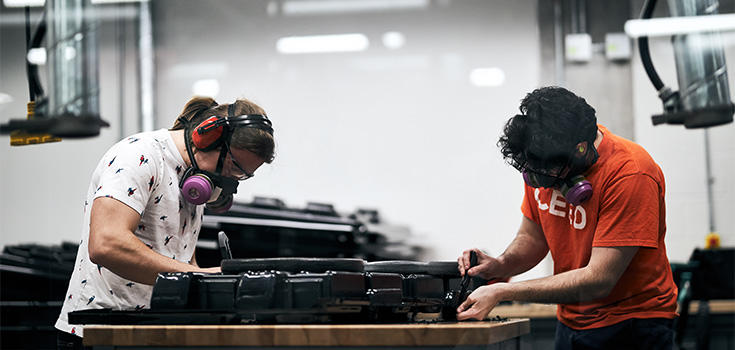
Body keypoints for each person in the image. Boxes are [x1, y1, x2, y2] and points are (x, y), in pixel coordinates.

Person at [456, 87, 677, 349]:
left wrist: (502, 291)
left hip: (632, 324)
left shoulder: (631, 173)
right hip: (572, 320)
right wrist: (499, 265)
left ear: (580, 150)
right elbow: (532, 236)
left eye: (547, 172)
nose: (540, 181)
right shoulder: (540, 160)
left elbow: (599, 280)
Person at [55, 97, 275, 349]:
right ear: (209, 137)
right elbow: (105, 244)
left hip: (153, 331)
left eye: (243, 176)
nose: (231, 181)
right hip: (101, 333)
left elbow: (180, 260)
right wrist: (200, 276)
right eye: (234, 168)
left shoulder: (195, 178)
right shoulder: (139, 155)